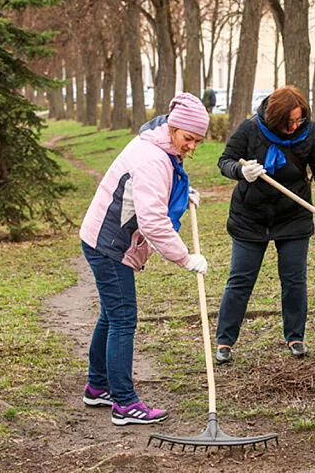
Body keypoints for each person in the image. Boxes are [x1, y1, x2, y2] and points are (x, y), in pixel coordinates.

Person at [79, 92, 210, 425]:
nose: (192, 146)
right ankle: (124, 403)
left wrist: (180, 193)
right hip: (110, 245)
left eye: (198, 140)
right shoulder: (151, 157)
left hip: (102, 238)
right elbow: (152, 221)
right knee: (123, 318)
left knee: (111, 315)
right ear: (173, 128)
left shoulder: (159, 145)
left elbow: (156, 190)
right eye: (188, 138)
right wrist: (185, 258)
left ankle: (97, 386)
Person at [214, 85, 315, 364]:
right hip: (250, 217)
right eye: (289, 122)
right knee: (240, 280)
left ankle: (295, 337)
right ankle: (225, 341)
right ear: (274, 117)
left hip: (293, 215)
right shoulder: (250, 129)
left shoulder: (309, 132)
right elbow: (224, 161)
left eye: (299, 120)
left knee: (294, 280)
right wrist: (241, 172)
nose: (294, 127)